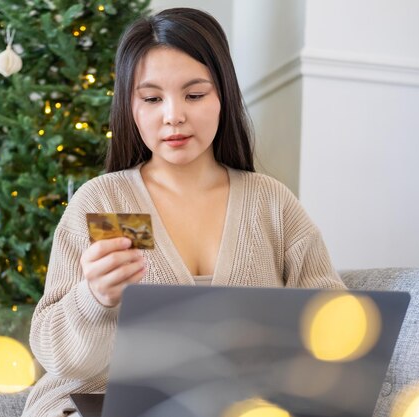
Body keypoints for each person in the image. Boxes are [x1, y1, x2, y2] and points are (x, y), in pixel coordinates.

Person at [21, 7, 345, 417]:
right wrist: (94, 300)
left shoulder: (271, 203)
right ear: (131, 107)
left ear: (223, 95)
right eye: (152, 98)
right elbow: (58, 358)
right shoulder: (102, 203)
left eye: (194, 94)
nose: (174, 115)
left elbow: (337, 330)